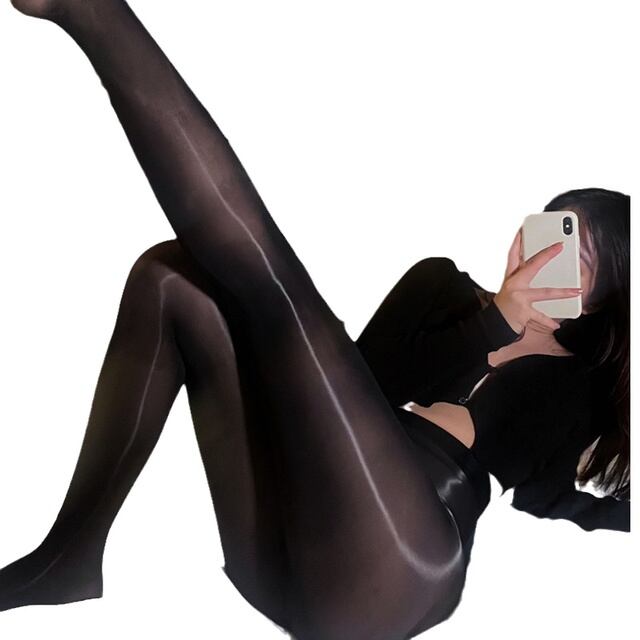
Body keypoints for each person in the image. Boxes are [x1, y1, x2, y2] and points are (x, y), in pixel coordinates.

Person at [0, 1, 630, 639]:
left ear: (603, 299)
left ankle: (96, 14)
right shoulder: (438, 285)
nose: (549, 261)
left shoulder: (580, 387)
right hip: (282, 540)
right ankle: (70, 555)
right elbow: (364, 383)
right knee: (169, 278)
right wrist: (493, 320)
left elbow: (581, 495)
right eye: (552, 233)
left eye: (579, 262)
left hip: (396, 570)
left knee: (279, 295)